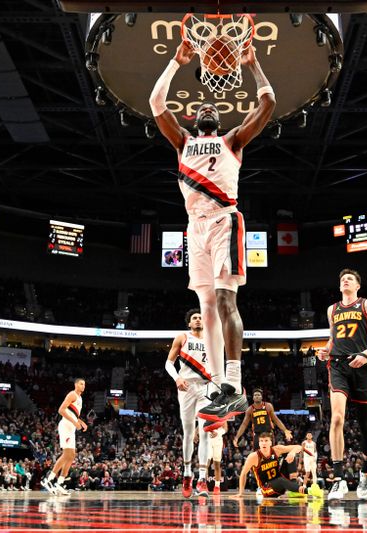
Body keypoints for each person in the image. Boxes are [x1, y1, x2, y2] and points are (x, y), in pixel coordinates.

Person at [149, 38, 276, 428]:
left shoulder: (231, 141)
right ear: (194, 119)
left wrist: (253, 66)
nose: (206, 107)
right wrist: (175, 62)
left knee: (225, 301)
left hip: (224, 220)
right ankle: (221, 387)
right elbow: (156, 104)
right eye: (201, 107)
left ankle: (235, 385)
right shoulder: (182, 141)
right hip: (194, 227)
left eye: (212, 108)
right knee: (206, 312)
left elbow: (268, 105)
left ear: (218, 122)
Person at [316, 269, 367, 500]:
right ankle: (338, 480)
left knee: (365, 425)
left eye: (350, 279)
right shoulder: (332, 309)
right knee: (337, 417)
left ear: (358, 285)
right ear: (339, 287)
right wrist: (326, 350)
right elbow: (333, 337)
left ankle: (366, 471)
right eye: (342, 280)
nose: (345, 281)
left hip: (361, 365)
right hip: (337, 366)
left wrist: (366, 355)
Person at [166, 309, 212, 498]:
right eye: (195, 318)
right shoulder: (182, 337)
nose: (198, 319)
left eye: (201, 317)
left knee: (205, 431)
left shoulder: (212, 339)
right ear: (189, 323)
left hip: (205, 387)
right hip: (186, 387)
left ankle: (202, 479)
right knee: (188, 432)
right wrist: (177, 378)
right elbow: (168, 363)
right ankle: (186, 474)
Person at [231, 432, 321, 500]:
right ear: (259, 444)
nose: (263, 443)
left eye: (266, 441)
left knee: (288, 456)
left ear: (271, 443)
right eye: (261, 441)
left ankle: (294, 486)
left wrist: (292, 453)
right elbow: (243, 474)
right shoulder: (254, 456)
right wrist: (240, 493)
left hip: (280, 483)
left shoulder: (277, 449)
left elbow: (299, 447)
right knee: (280, 480)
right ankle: (309, 491)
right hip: (267, 489)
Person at [40, 378, 88, 495]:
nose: (83, 386)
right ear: (76, 384)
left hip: (71, 427)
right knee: (67, 454)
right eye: (81, 384)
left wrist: (80, 422)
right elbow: (61, 410)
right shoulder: (72, 394)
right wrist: (74, 422)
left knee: (72, 456)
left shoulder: (80, 398)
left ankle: (59, 483)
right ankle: (48, 479)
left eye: (84, 384)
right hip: (66, 426)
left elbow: (73, 413)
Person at [207, 421, 227, 494]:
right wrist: (196, 432)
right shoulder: (207, 412)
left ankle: (217, 486)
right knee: (206, 463)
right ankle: (204, 484)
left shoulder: (222, 413)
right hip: (208, 439)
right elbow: (202, 424)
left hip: (218, 440)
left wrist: (218, 433)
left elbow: (225, 428)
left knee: (217, 465)